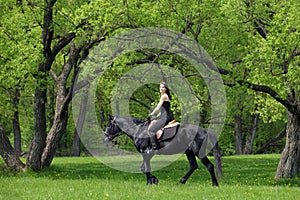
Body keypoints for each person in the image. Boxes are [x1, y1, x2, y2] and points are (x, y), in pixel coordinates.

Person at [147, 81, 174, 150]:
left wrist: (151, 114)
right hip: (164, 117)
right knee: (153, 123)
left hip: (165, 118)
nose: (161, 88)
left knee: (151, 130)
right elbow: (163, 111)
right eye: (160, 87)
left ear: (166, 89)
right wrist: (156, 117)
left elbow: (158, 107)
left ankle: (155, 147)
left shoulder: (164, 96)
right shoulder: (164, 96)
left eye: (163, 87)